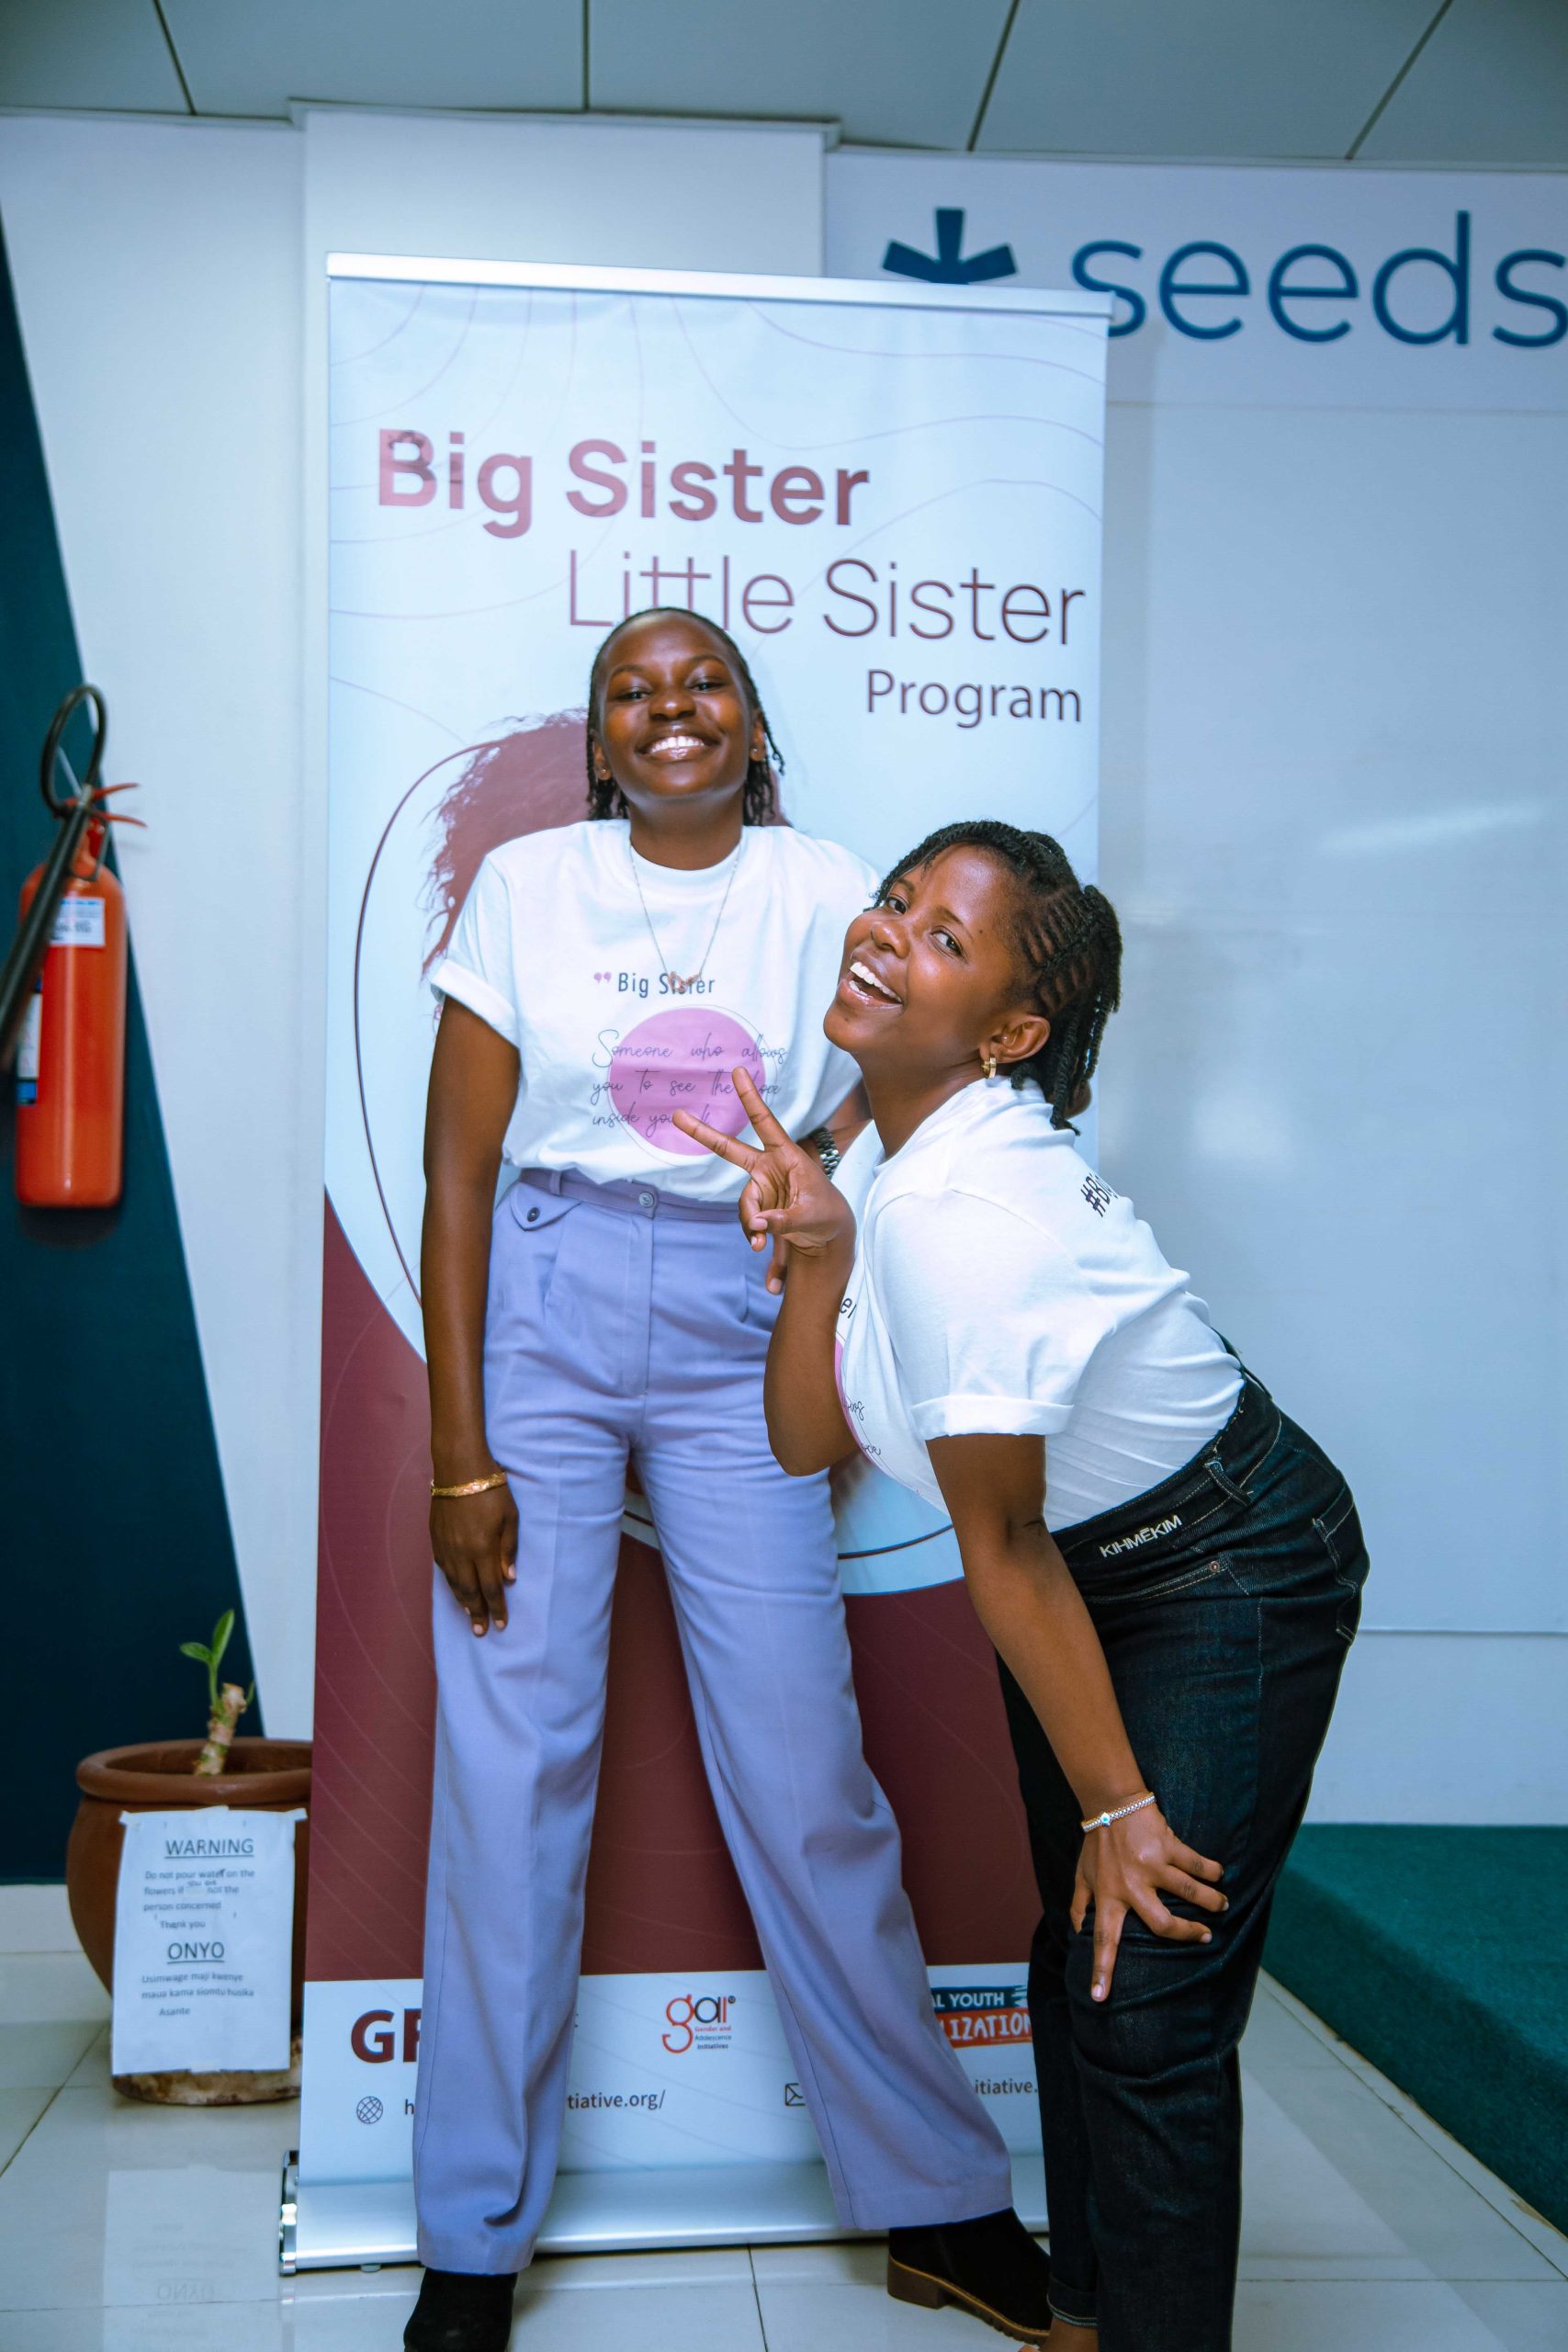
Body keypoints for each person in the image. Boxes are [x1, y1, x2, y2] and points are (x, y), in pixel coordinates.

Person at [406, 627, 1056, 2352]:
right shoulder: (527, 886)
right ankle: (469, 2241)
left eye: (703, 683)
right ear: (599, 742)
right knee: (509, 1772)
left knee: (801, 1764)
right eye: (633, 691)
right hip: (544, 1306)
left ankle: (940, 2201)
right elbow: (455, 1176)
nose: (670, 709)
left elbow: (904, 1091)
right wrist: (459, 1453)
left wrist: (820, 1198)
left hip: (745, 1317)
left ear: (754, 726)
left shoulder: (826, 885)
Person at [675, 817, 1370, 2352]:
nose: (886, 930)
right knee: (1079, 1958)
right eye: (898, 899)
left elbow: (999, 1545)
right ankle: (1085, 2318)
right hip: (1090, 1571)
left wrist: (1122, 1808)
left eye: (944, 937)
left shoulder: (966, 1217)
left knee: (1149, 1997)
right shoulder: (884, 1149)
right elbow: (805, 1442)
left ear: (1010, 1033)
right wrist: (818, 1258)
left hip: (1228, 1566)